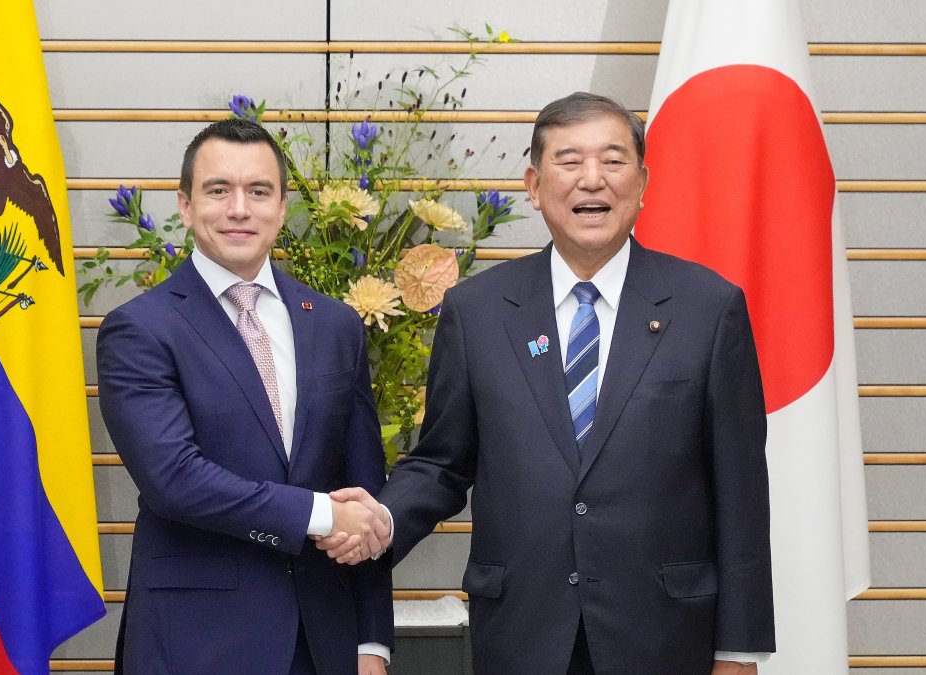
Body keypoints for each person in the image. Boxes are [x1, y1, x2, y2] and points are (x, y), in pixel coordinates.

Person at [320, 92, 775, 674]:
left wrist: (738, 651)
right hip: (522, 632)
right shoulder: (478, 310)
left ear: (642, 183)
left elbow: (740, 492)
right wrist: (380, 519)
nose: (592, 180)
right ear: (534, 186)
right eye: (569, 161)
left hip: (664, 638)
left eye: (613, 161)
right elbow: (441, 462)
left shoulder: (708, 308)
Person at [97, 118, 393, 675]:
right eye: (218, 191)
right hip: (196, 645)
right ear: (185, 206)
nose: (239, 209)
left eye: (258, 191)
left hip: (322, 642)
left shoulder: (335, 325)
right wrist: (320, 514)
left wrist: (371, 641)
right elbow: (173, 479)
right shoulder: (139, 329)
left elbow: (364, 487)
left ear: (282, 208)